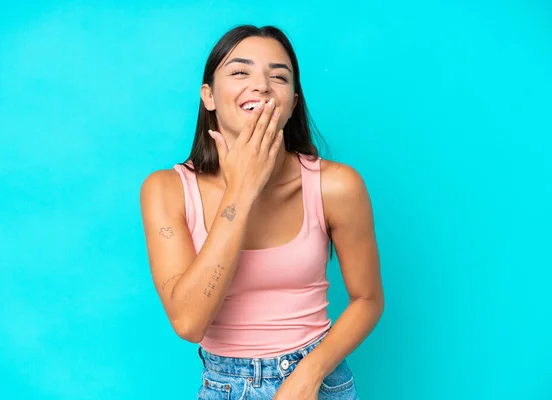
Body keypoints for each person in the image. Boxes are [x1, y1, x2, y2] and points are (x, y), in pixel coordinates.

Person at [140, 24, 384, 400]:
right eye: (240, 72)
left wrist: (309, 375)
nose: (262, 86)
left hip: (318, 380)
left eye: (278, 76)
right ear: (209, 96)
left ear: (293, 101)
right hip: (224, 384)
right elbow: (189, 322)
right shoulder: (166, 190)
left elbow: (368, 300)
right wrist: (241, 190)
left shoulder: (336, 185)